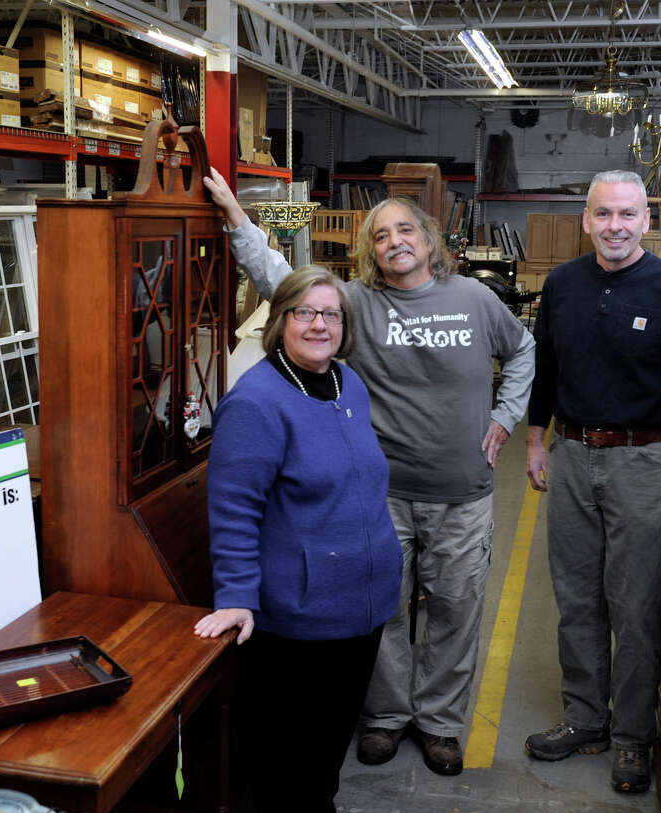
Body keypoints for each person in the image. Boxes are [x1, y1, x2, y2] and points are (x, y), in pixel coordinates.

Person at [202, 169, 535, 777]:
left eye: (405, 230)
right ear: (370, 252)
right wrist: (236, 219)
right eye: (380, 236)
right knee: (383, 610)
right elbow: (284, 285)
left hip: (464, 493)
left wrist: (507, 416)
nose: (394, 242)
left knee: (456, 611)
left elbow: (523, 350)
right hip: (383, 500)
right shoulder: (355, 304)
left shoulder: (476, 299)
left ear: (429, 240)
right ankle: (384, 716)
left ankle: (439, 722)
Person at [523, 170, 661, 794]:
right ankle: (585, 719)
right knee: (577, 599)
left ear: (646, 220)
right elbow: (545, 370)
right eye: (604, 214)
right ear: (586, 220)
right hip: (571, 454)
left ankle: (633, 737)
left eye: (628, 214)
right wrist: (535, 440)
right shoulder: (562, 285)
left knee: (635, 605)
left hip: (641, 460)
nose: (615, 226)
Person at [193, 266, 402, 813]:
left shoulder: (347, 383)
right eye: (304, 313)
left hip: (362, 608)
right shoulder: (256, 402)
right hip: (301, 621)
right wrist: (236, 597)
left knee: (327, 749)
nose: (319, 325)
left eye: (331, 314)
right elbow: (234, 510)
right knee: (290, 765)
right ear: (280, 321)